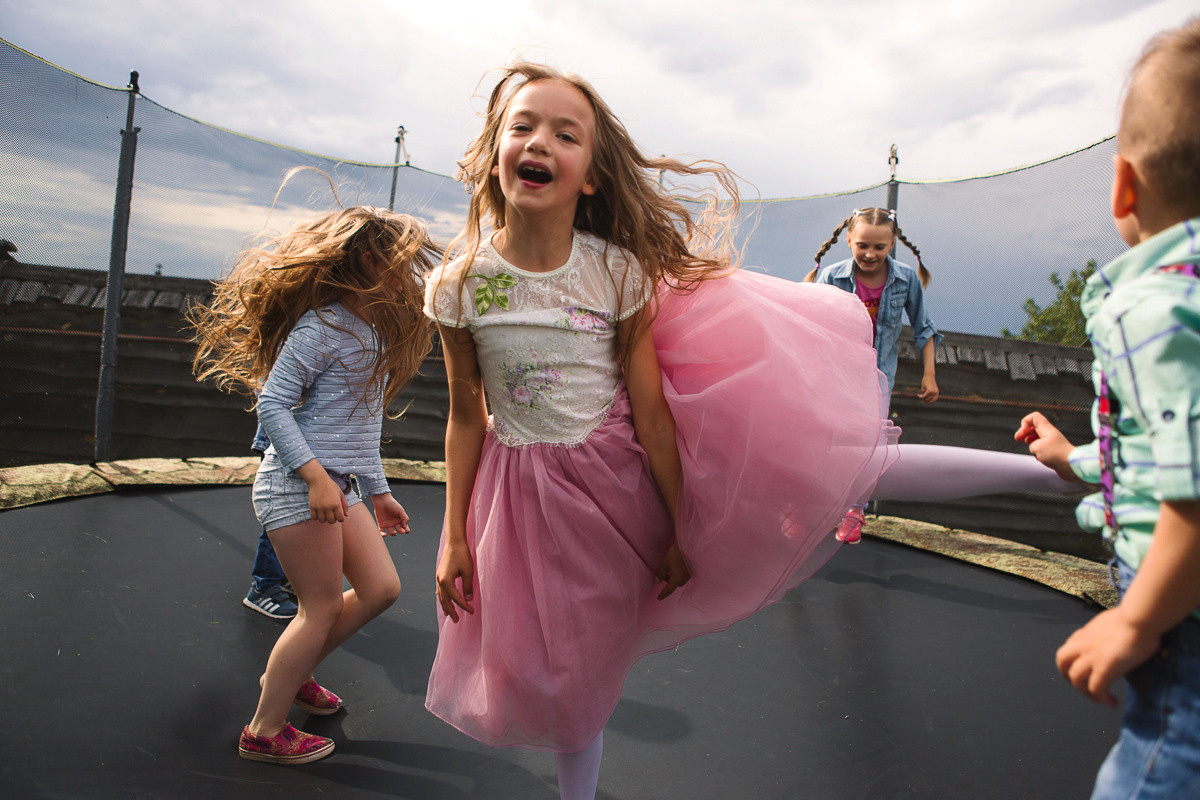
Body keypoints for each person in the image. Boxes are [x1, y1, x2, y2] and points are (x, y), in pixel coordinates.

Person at [420, 62, 1074, 800]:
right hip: (528, 501)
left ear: (593, 177)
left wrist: (677, 529)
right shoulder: (459, 284)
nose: (540, 141)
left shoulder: (616, 273)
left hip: (621, 476)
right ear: (495, 154)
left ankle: (1051, 472)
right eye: (523, 126)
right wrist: (455, 536)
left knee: (845, 463)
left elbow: (652, 415)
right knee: (572, 667)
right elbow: (466, 415)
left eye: (565, 135)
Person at [1014, 17, 1200, 799]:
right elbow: (1163, 444)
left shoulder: (1154, 309)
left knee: (1158, 763)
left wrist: (1136, 620)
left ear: (1125, 184)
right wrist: (1073, 458)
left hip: (1180, 610)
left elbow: (1193, 490)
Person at [191, 205, 440, 764]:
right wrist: (314, 478)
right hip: (296, 486)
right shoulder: (320, 328)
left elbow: (360, 426)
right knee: (320, 607)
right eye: (401, 262)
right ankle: (264, 730)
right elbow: (272, 406)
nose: (409, 274)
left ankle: (292, 669)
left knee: (381, 589)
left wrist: (378, 491)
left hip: (339, 486)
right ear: (371, 261)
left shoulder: (370, 332)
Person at [806, 207, 941, 405]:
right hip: (837, 376)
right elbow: (812, 326)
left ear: (892, 244)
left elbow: (924, 329)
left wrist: (929, 375)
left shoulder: (905, 279)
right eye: (862, 246)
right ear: (849, 240)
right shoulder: (833, 277)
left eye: (879, 247)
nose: (870, 254)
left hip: (879, 381)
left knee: (873, 425)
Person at [243, 425, 297, 621]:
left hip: (303, 443)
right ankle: (263, 588)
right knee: (281, 514)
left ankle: (285, 575)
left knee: (301, 513)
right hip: (283, 444)